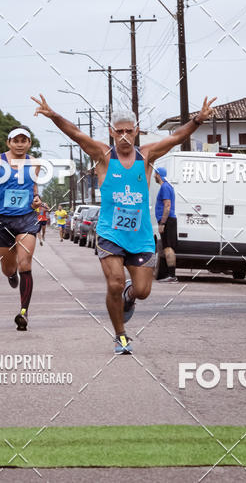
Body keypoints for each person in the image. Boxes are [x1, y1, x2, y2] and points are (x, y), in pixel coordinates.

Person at [33, 93, 216, 355]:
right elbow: (76, 134)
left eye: (129, 131)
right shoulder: (104, 156)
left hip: (140, 236)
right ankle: (120, 336)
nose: (124, 136)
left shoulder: (147, 156)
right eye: (119, 131)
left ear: (137, 131)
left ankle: (130, 298)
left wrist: (197, 119)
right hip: (110, 233)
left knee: (142, 291)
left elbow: (175, 138)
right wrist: (54, 116)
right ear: (111, 132)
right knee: (115, 283)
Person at [0, 127, 42, 331]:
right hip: (2, 219)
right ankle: (11, 275)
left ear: (29, 143)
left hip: (27, 219)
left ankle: (24, 313)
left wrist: (37, 199)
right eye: (16, 140)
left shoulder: (34, 163)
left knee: (25, 263)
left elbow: (33, 187)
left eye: (24, 140)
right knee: (9, 269)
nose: (20, 144)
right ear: (8, 143)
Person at [155, 167, 178, 282]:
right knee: (168, 248)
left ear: (158, 175)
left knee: (168, 248)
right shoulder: (168, 186)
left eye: (155, 174)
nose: (154, 176)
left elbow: (167, 206)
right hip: (169, 220)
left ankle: (172, 275)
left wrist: (162, 223)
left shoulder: (165, 187)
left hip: (167, 220)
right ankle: (170, 274)